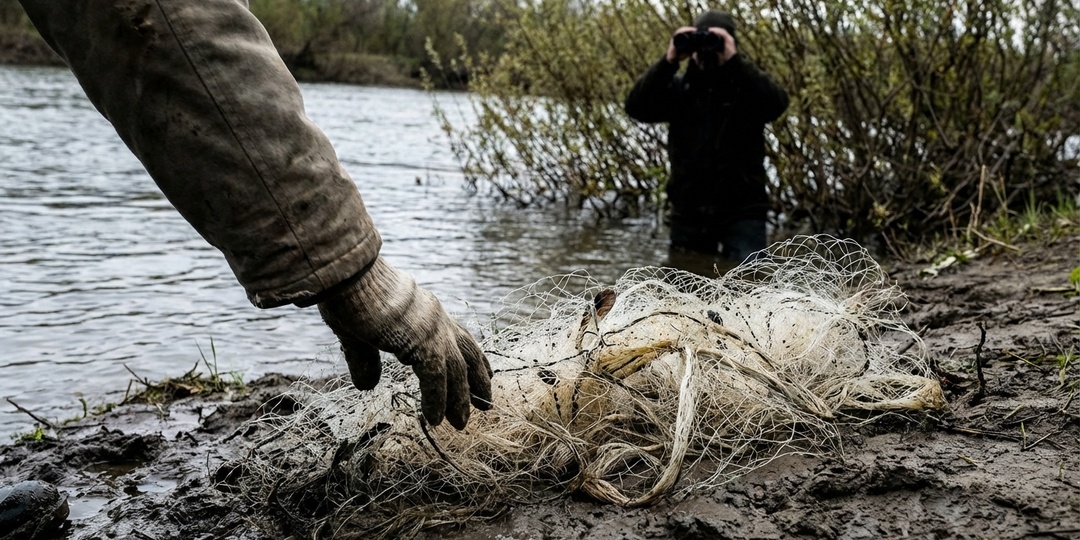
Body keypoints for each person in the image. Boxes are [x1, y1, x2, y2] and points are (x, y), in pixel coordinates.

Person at [625, 9, 789, 270]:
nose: (707, 51)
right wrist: (669, 61)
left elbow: (778, 104)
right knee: (684, 291)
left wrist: (735, 60)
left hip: (743, 209)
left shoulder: (747, 92)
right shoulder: (681, 91)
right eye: (701, 44)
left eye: (716, 42)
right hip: (689, 210)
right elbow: (636, 107)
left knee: (750, 285)